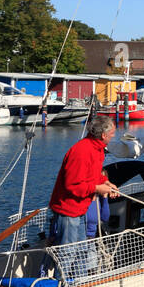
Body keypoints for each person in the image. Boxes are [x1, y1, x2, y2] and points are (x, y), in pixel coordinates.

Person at [49, 114, 121, 276]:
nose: (113, 136)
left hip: (81, 208)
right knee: (67, 252)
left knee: (81, 250)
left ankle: (79, 283)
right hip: (68, 210)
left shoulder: (97, 150)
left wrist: (106, 183)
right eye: (111, 134)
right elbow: (72, 185)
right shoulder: (82, 151)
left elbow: (92, 174)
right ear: (103, 135)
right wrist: (98, 188)